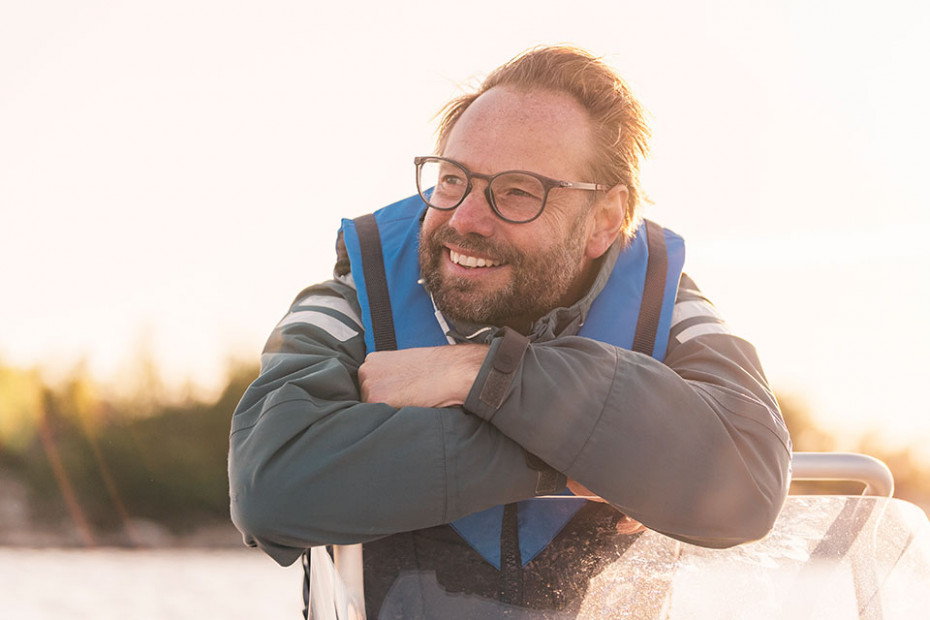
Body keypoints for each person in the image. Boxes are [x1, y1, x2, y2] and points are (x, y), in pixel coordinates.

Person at [228, 45, 791, 616]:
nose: (466, 220)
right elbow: (270, 482)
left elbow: (749, 480)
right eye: (452, 180)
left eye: (518, 191)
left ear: (604, 221)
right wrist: (568, 460)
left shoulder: (663, 309)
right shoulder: (355, 298)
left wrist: (479, 373)